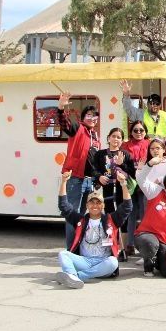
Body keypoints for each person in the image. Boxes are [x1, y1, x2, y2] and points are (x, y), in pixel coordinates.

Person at [56, 170, 132, 289]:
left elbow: (127, 207)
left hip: (103, 263)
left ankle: (77, 276)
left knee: (113, 262)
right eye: (91, 203)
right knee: (63, 254)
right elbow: (64, 207)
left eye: (98, 203)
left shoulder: (111, 220)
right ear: (87, 205)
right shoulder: (81, 220)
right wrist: (64, 182)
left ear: (103, 206)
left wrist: (123, 184)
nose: (95, 206)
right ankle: (72, 276)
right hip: (85, 261)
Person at [57, 92, 101, 247]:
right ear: (83, 118)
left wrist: (97, 179)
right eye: (89, 115)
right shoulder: (78, 128)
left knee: (82, 216)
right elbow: (65, 124)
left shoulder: (95, 136)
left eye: (95, 116)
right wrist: (61, 107)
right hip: (75, 178)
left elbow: (95, 160)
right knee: (72, 215)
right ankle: (71, 249)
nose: (92, 118)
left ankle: (78, 246)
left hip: (89, 181)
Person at [91, 127, 137, 215]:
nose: (116, 139)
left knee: (122, 211)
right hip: (107, 187)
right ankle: (111, 228)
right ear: (109, 138)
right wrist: (99, 177)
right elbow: (94, 169)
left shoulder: (126, 154)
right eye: (113, 136)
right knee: (109, 211)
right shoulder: (100, 154)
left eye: (119, 137)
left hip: (122, 188)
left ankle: (123, 229)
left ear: (122, 140)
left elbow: (132, 172)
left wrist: (122, 164)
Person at [122, 121, 150, 256]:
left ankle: (143, 243)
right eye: (135, 130)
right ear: (131, 132)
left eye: (141, 130)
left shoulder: (150, 144)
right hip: (130, 183)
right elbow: (123, 165)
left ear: (145, 131)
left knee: (145, 215)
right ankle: (130, 244)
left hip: (145, 184)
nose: (138, 133)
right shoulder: (125, 145)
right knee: (131, 214)